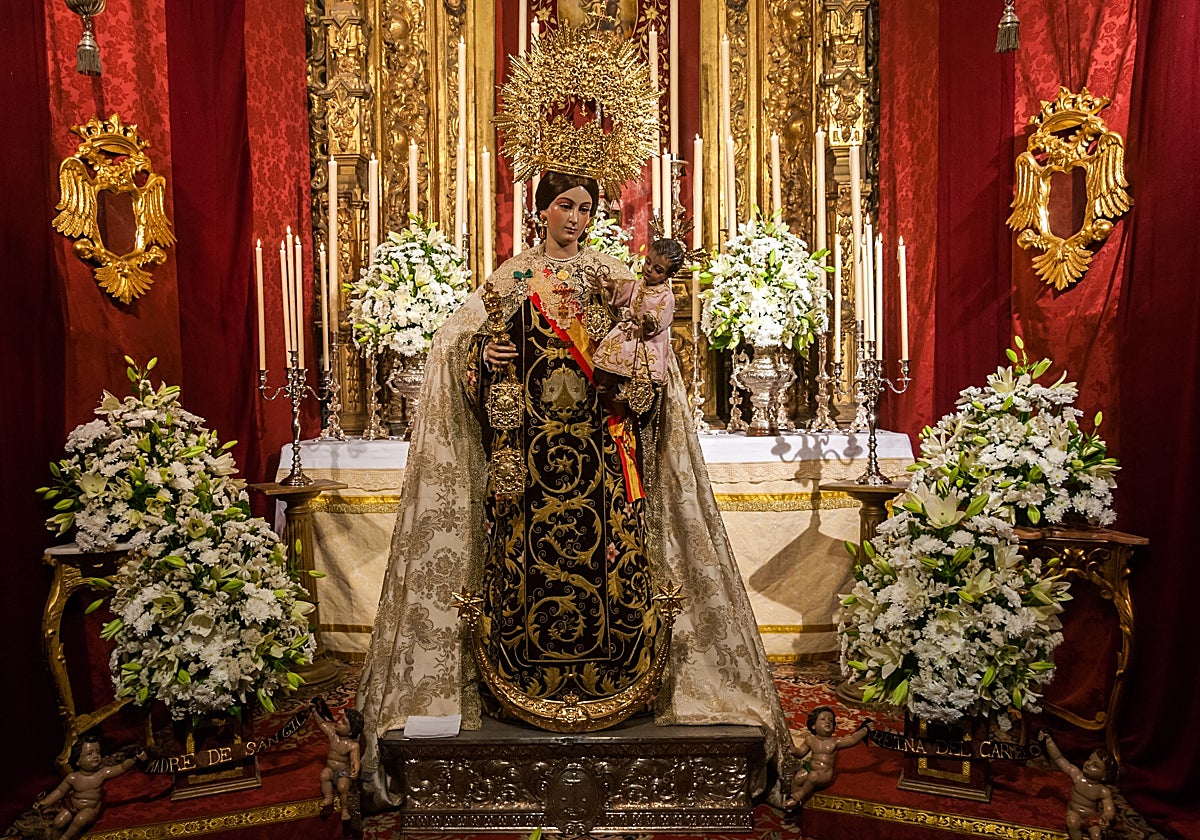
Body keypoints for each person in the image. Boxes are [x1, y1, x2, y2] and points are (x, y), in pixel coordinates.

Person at [355, 169, 791, 809]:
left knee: (611, 569)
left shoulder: (610, 275)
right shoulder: (510, 279)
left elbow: (648, 351)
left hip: (601, 463)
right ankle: (524, 671)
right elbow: (464, 355)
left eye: (588, 208)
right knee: (528, 571)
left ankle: (612, 671)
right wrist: (485, 358)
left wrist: (654, 294)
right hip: (527, 467)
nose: (577, 218)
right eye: (566, 206)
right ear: (541, 210)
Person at [592, 237, 684, 406]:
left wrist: (648, 319)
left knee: (642, 367)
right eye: (648, 262)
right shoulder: (638, 284)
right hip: (628, 332)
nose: (649, 270)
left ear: (669, 275)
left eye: (657, 269)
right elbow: (623, 291)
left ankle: (632, 389)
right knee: (613, 355)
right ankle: (607, 382)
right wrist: (611, 285)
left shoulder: (665, 295)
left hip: (649, 340)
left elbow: (663, 317)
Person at [36, 733, 142, 840]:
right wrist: (45, 802)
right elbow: (59, 791)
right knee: (58, 822)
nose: (95, 756)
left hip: (90, 810)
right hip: (72, 807)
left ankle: (65, 838)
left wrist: (135, 759)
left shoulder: (102, 774)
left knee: (80, 820)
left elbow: (122, 768)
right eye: (90, 753)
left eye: (98, 752)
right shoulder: (73, 778)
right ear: (78, 761)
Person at [784, 706, 870, 809]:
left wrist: (865, 729)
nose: (828, 722)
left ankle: (798, 797)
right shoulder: (810, 740)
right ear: (813, 726)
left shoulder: (835, 742)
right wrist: (793, 751)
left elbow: (852, 739)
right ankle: (796, 804)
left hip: (824, 773)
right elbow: (801, 753)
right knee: (798, 777)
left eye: (831, 720)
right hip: (810, 767)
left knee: (813, 776)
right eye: (823, 719)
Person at [1040, 732, 1116, 840]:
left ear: (1104, 776)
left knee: (1096, 835)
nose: (1088, 764)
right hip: (1074, 814)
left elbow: (1109, 809)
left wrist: (1106, 817)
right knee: (1072, 822)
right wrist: (1049, 741)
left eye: (1095, 766)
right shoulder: (1077, 776)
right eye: (1089, 760)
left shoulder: (1103, 791)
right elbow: (1059, 759)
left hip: (1091, 819)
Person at [312, 697, 363, 821]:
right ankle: (328, 797)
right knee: (324, 776)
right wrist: (314, 712)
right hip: (330, 768)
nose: (339, 722)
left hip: (342, 772)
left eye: (344, 722)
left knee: (342, 787)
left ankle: (344, 809)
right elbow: (322, 724)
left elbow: (355, 760)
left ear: (351, 732)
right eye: (341, 719)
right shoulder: (333, 736)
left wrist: (355, 769)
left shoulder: (352, 745)